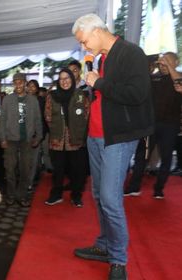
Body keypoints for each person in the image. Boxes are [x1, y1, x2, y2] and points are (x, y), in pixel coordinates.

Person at [72, 14, 154, 280]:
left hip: (117, 138)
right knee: (98, 195)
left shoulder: (131, 53)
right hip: (95, 137)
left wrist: (100, 83)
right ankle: (105, 244)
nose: (84, 48)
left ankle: (118, 259)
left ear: (96, 31)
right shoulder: (103, 58)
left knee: (109, 198)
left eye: (84, 42)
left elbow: (137, 93)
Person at [124, 52, 182, 198]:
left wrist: (168, 65)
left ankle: (159, 189)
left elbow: (179, 86)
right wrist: (151, 64)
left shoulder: (179, 77)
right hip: (150, 123)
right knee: (141, 155)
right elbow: (140, 78)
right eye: (162, 62)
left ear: (176, 62)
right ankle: (134, 187)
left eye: (168, 61)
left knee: (166, 157)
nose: (163, 64)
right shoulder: (155, 77)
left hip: (170, 125)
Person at [44, 69, 89, 207]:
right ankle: (56, 195)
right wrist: (58, 128)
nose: (64, 81)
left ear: (72, 79)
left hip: (75, 140)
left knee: (76, 170)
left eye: (67, 78)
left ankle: (76, 196)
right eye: (61, 79)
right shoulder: (52, 96)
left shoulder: (80, 95)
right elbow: (48, 115)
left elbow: (86, 115)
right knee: (58, 170)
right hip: (57, 140)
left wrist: (78, 132)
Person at [0, 73, 42, 207]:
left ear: (25, 83)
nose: (18, 85)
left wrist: (38, 136)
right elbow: (2, 120)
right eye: (15, 82)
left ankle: (22, 195)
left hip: (27, 139)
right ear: (13, 84)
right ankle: (11, 195)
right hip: (10, 139)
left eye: (21, 82)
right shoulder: (7, 99)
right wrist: (2, 138)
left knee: (25, 169)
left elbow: (37, 119)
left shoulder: (33, 100)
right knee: (10, 169)